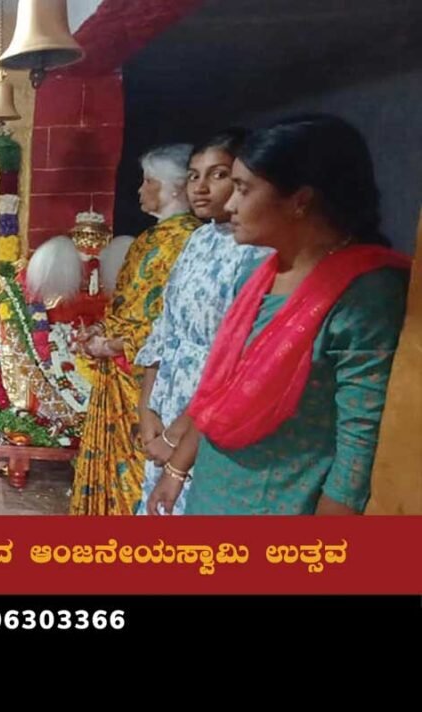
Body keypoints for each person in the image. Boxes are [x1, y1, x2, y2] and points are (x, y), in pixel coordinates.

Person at [149, 115, 410, 515]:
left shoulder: (366, 293)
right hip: (212, 493)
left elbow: (360, 439)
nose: (230, 203)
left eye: (242, 188)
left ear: (300, 201)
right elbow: (221, 386)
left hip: (275, 506)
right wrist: (178, 469)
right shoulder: (258, 275)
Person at [134, 129, 269, 514]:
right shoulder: (198, 240)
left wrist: (178, 435)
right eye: (194, 176)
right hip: (166, 402)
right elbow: (165, 329)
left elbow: (237, 359)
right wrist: (148, 413)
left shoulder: (258, 253)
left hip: (205, 418)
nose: (202, 188)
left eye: (218, 175)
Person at [69, 143, 201, 515]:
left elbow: (173, 324)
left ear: (175, 188)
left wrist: (112, 345)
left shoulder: (188, 242)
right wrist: (99, 333)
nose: (140, 191)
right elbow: (129, 308)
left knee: (140, 469)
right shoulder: (150, 239)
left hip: (148, 381)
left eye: (148, 182)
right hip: (121, 370)